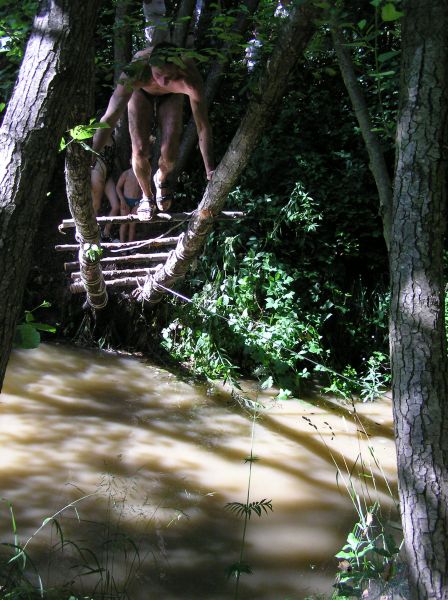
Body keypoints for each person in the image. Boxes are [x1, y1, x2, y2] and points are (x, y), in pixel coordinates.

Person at [92, 42, 215, 221]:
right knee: (140, 150)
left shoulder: (188, 77)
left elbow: (202, 126)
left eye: (169, 76)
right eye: (159, 74)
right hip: (141, 93)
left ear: (178, 66)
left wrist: (209, 168)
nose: (164, 81)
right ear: (149, 64)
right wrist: (92, 155)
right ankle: (146, 197)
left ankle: (161, 178)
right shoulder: (135, 71)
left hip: (172, 96)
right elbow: (109, 118)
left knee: (170, 154)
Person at [91, 129, 120, 241]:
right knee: (95, 206)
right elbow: (91, 155)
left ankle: (105, 233)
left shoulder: (111, 136)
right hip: (97, 172)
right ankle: (92, 236)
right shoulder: (97, 134)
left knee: (115, 206)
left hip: (108, 175)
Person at [116, 162, 143, 243]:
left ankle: (131, 245)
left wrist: (141, 202)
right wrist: (122, 200)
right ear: (130, 160)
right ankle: (122, 244)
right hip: (125, 201)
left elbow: (144, 190)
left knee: (133, 224)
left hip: (137, 202)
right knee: (124, 223)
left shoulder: (142, 174)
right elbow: (118, 187)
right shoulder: (126, 174)